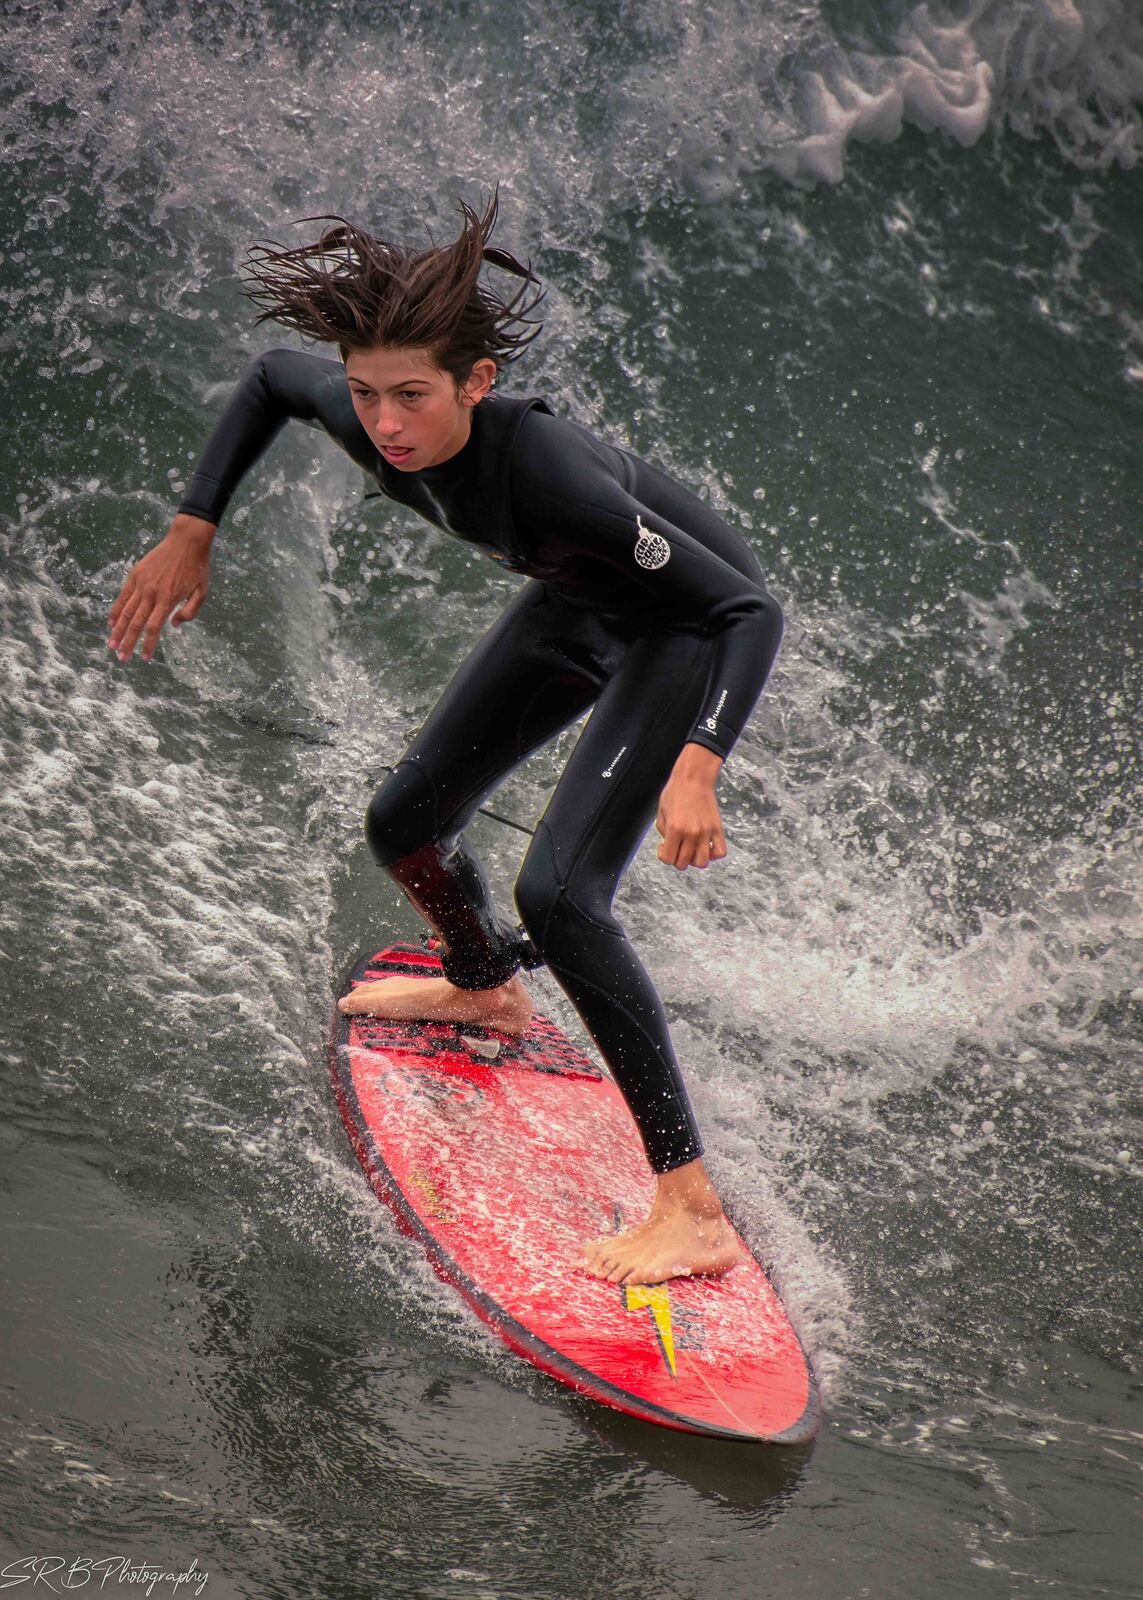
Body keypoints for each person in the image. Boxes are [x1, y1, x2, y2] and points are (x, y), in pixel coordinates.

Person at [108, 195, 783, 1288]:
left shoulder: (551, 473)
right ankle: (484, 986)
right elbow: (277, 378)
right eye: (369, 394)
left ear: (475, 382)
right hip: (572, 602)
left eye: (412, 396)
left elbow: (747, 608)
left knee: (561, 899)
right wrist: (194, 524)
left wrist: (700, 761)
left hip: (675, 634)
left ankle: (689, 1206)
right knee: (405, 822)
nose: (385, 424)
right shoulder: (365, 406)